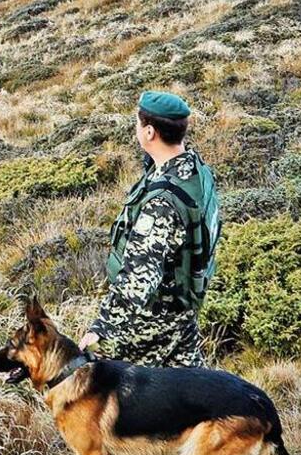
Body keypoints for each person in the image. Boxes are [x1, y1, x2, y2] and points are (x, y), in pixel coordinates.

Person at [79, 91, 221, 367]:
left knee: (99, 382)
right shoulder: (194, 171)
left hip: (151, 323)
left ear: (149, 132)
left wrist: (102, 328)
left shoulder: (161, 204)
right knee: (190, 388)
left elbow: (139, 277)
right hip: (183, 311)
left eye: (137, 123)